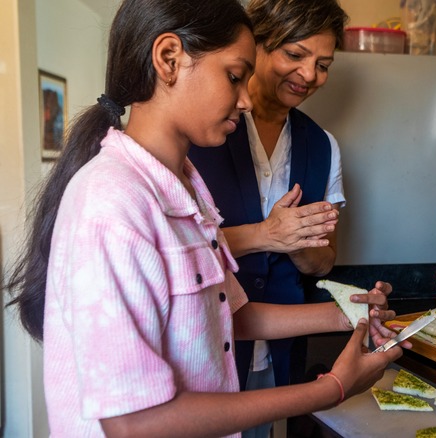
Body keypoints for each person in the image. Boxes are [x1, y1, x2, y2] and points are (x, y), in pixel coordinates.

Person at [3, 0, 405, 436]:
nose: (248, 100)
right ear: (169, 59)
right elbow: (134, 424)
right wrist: (333, 389)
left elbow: (222, 316)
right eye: (235, 76)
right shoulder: (112, 201)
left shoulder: (187, 188)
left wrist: (343, 315)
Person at [188, 0, 349, 409]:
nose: (310, 75)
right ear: (254, 46)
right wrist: (267, 235)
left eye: (324, 64)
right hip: (207, 340)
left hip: (281, 342)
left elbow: (325, 261)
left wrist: (297, 244)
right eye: (295, 55)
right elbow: (174, 249)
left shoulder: (322, 145)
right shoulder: (199, 131)